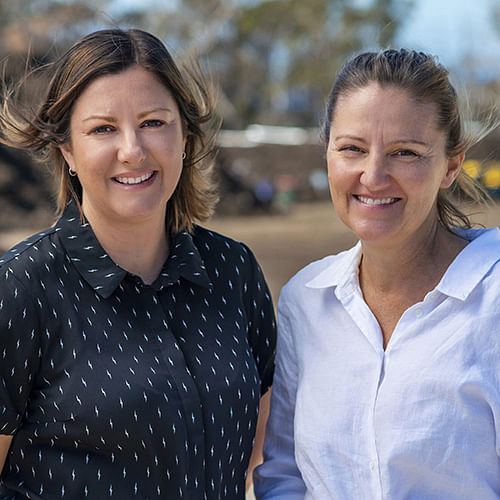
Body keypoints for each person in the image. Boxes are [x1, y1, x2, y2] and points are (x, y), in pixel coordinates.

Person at [0, 28, 276, 499]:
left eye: (153, 122)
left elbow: (260, 448)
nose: (133, 149)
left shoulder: (235, 270)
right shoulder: (20, 287)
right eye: (103, 128)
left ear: (184, 136)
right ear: (67, 148)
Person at [254, 48, 500, 499]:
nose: (373, 175)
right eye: (352, 148)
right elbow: (286, 475)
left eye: (405, 152)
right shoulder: (303, 301)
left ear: (450, 165)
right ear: (327, 152)